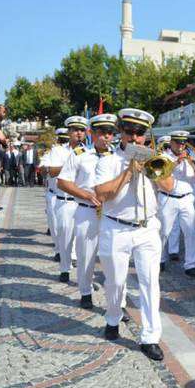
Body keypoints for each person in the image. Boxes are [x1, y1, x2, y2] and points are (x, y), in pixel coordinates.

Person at [94, 108, 174, 361]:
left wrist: (154, 169)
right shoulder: (107, 161)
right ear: (121, 133)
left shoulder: (154, 158)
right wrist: (128, 172)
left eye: (140, 133)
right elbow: (103, 195)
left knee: (150, 282)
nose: (135, 138)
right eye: (130, 132)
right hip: (116, 227)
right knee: (115, 282)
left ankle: (150, 336)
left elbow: (170, 187)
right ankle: (113, 317)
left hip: (147, 228)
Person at [57, 114, 119, 309]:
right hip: (87, 211)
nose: (106, 137)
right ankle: (85, 291)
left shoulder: (119, 157)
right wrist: (83, 194)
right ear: (92, 133)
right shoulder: (80, 155)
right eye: (101, 132)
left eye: (110, 133)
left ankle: (119, 302)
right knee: (86, 256)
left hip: (112, 213)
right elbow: (63, 181)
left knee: (115, 258)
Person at [50, 116, 87, 283]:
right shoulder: (58, 150)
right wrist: (71, 162)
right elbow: (52, 172)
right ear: (69, 132)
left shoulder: (90, 152)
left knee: (84, 240)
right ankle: (65, 268)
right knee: (65, 236)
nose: (78, 133)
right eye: (75, 130)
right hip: (64, 200)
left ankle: (84, 276)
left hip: (83, 202)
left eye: (82, 130)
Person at [157, 130, 195, 277]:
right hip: (168, 197)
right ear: (172, 142)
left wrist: (191, 162)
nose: (181, 146)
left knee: (190, 232)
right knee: (163, 231)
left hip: (187, 197)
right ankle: (160, 260)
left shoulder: (190, 156)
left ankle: (191, 265)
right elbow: (161, 174)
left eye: (183, 142)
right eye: (178, 142)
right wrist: (177, 162)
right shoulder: (163, 156)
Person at [41, 128, 70, 262]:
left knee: (71, 228)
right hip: (55, 193)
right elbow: (44, 169)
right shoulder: (53, 152)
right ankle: (59, 249)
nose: (64, 142)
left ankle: (71, 254)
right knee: (56, 225)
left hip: (74, 196)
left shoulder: (80, 152)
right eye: (63, 139)